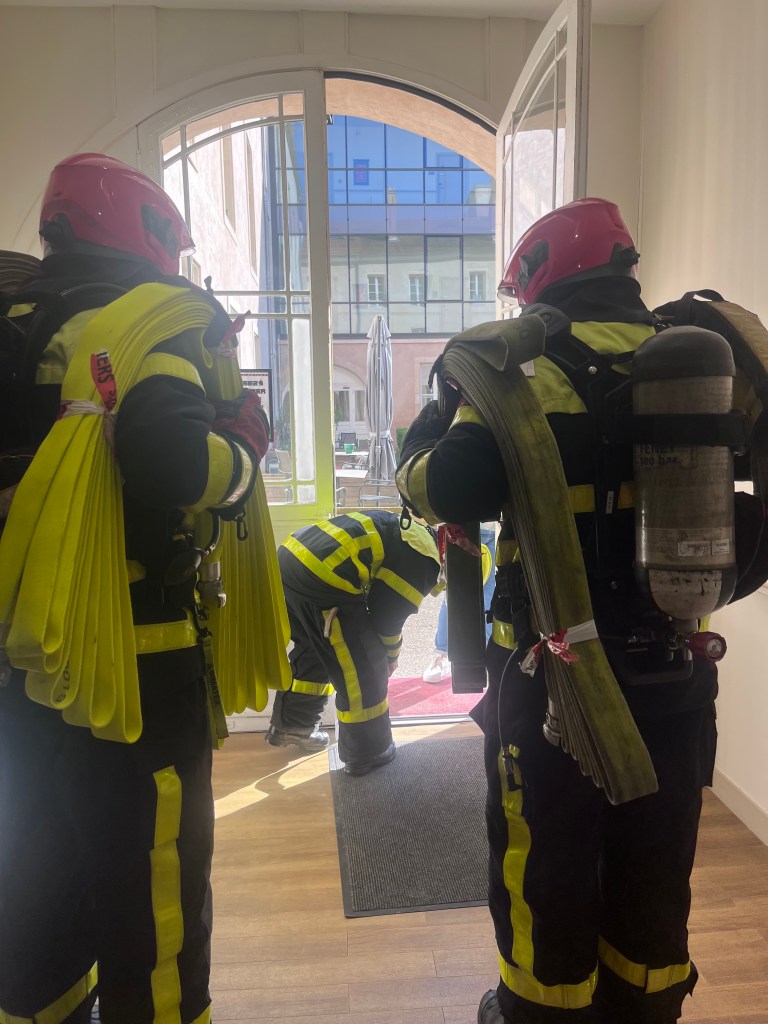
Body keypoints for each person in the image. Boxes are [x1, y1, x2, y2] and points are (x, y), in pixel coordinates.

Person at [396, 198, 721, 1024]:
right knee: (656, 852)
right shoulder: (688, 367)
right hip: (674, 665)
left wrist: (425, 435)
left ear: (539, 281)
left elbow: (453, 488)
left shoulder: (523, 374)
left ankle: (540, 1010)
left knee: (545, 859)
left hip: (552, 678)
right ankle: (644, 1004)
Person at [0, 154, 270, 1023]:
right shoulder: (150, 323)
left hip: (22, 660)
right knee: (153, 896)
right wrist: (243, 452)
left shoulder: (18, 319)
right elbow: (173, 463)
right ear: (153, 237)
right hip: (136, 669)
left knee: (34, 877)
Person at [265, 510, 441, 773]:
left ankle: (293, 726)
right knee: (366, 667)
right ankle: (368, 753)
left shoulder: (411, 533)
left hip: (291, 560)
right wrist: (391, 657)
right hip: (325, 575)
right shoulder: (425, 558)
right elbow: (387, 617)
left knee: (316, 648)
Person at [422, 522, 497, 683]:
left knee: (488, 594)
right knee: (452, 595)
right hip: (458, 528)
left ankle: (486, 654)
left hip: (488, 528)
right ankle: (442, 654)